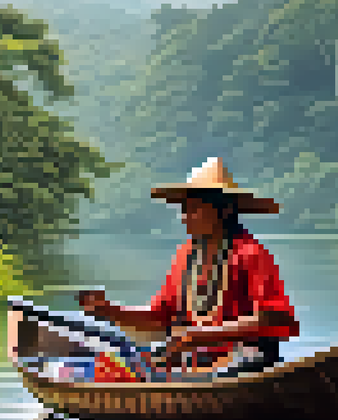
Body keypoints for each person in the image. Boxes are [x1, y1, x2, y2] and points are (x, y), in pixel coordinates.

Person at [78, 157, 299, 382]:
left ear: (224, 211)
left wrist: (202, 336)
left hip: (244, 362)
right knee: (108, 365)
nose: (185, 218)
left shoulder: (250, 253)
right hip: (196, 362)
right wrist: (108, 310)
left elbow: (274, 318)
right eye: (183, 210)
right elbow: (159, 317)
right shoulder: (186, 256)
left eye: (194, 210)